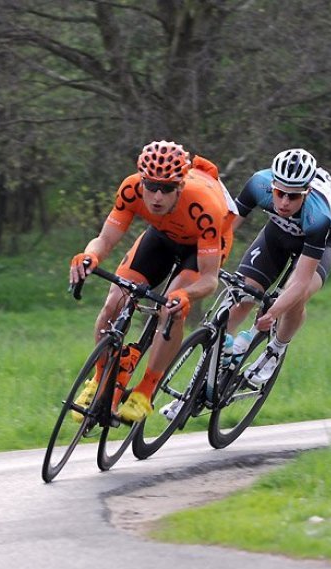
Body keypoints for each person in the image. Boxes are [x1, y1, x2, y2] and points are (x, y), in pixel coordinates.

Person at [69, 140, 237, 423]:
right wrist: (89, 257)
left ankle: (146, 389)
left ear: (180, 187)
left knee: (170, 308)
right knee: (114, 302)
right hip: (162, 236)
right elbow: (106, 239)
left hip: (201, 247)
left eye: (167, 188)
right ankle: (99, 379)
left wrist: (185, 296)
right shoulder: (131, 189)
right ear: (142, 180)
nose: (157, 196)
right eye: (151, 186)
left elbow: (210, 280)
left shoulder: (204, 207)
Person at [226, 148, 331, 385]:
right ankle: (209, 369)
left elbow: (301, 281)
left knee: (295, 297)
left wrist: (272, 313)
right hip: (278, 233)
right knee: (243, 293)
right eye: (280, 193)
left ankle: (276, 349)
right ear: (272, 185)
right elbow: (223, 232)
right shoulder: (258, 184)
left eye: (294, 196)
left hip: (319, 243)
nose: (284, 202)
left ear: (307, 192)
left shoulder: (319, 214)